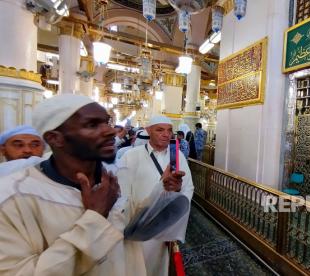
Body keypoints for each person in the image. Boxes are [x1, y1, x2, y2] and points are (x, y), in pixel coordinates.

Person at [0, 94, 168, 275]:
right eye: (92, 125)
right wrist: (95, 218)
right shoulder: (14, 196)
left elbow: (131, 226)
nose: (110, 131)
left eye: (107, 122)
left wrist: (163, 188)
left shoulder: (116, 176)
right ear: (55, 138)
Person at [118, 115, 194, 276]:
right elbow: (122, 193)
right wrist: (129, 221)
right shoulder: (131, 156)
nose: (166, 134)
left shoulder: (178, 157)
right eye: (160, 130)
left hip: (163, 226)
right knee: (134, 265)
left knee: (158, 266)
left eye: (169, 130)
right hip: (136, 223)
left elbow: (188, 188)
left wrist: (173, 222)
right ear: (148, 131)